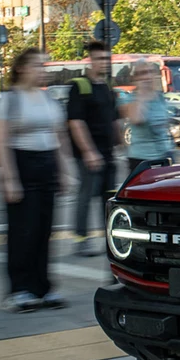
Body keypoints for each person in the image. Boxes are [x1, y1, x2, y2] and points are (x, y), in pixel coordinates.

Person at [0, 48, 73, 313]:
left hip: (47, 165)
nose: (43, 70)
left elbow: (59, 137)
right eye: (38, 66)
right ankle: (19, 289)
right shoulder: (9, 100)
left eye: (43, 65)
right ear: (22, 68)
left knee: (44, 229)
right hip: (21, 164)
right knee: (22, 231)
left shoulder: (48, 99)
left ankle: (43, 286)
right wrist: (9, 178)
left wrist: (64, 170)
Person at [67, 40, 122, 257]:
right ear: (90, 60)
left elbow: (113, 119)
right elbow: (75, 122)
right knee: (86, 195)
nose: (104, 63)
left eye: (106, 59)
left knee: (108, 199)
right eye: (99, 59)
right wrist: (88, 151)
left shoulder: (106, 86)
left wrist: (121, 144)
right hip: (88, 155)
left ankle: (108, 239)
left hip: (108, 153)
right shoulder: (79, 85)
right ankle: (81, 239)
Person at [121, 60, 174, 174]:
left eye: (150, 72)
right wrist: (142, 93)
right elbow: (137, 119)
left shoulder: (159, 97)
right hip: (141, 160)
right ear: (135, 78)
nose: (147, 76)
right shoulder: (129, 98)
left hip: (164, 155)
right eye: (142, 73)